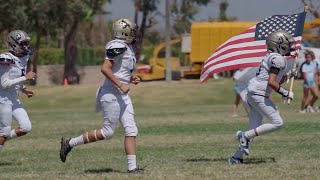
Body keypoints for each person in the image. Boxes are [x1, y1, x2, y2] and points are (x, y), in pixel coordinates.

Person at [59, 18, 143, 173]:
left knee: (131, 129)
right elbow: (105, 69)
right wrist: (120, 84)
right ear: (123, 32)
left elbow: (119, 70)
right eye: (131, 31)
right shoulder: (117, 45)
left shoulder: (127, 47)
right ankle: (70, 143)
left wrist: (131, 78)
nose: (134, 34)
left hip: (122, 95)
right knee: (108, 132)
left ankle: (132, 168)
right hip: (111, 94)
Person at [228, 30, 297, 164]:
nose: (289, 45)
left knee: (254, 128)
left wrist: (288, 76)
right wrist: (286, 93)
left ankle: (236, 157)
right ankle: (243, 136)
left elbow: (272, 81)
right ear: (278, 44)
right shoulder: (277, 58)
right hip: (259, 94)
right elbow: (272, 83)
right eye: (286, 43)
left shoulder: (271, 56)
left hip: (253, 93)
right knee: (278, 122)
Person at [0, 30, 36, 151]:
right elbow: (4, 84)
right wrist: (25, 78)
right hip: (3, 98)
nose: (26, 46)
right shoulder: (6, 59)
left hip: (13, 98)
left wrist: (23, 89)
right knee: (4, 131)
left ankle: (2, 138)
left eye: (26, 43)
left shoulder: (24, 57)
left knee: (26, 127)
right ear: (14, 44)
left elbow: (15, 78)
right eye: (23, 43)